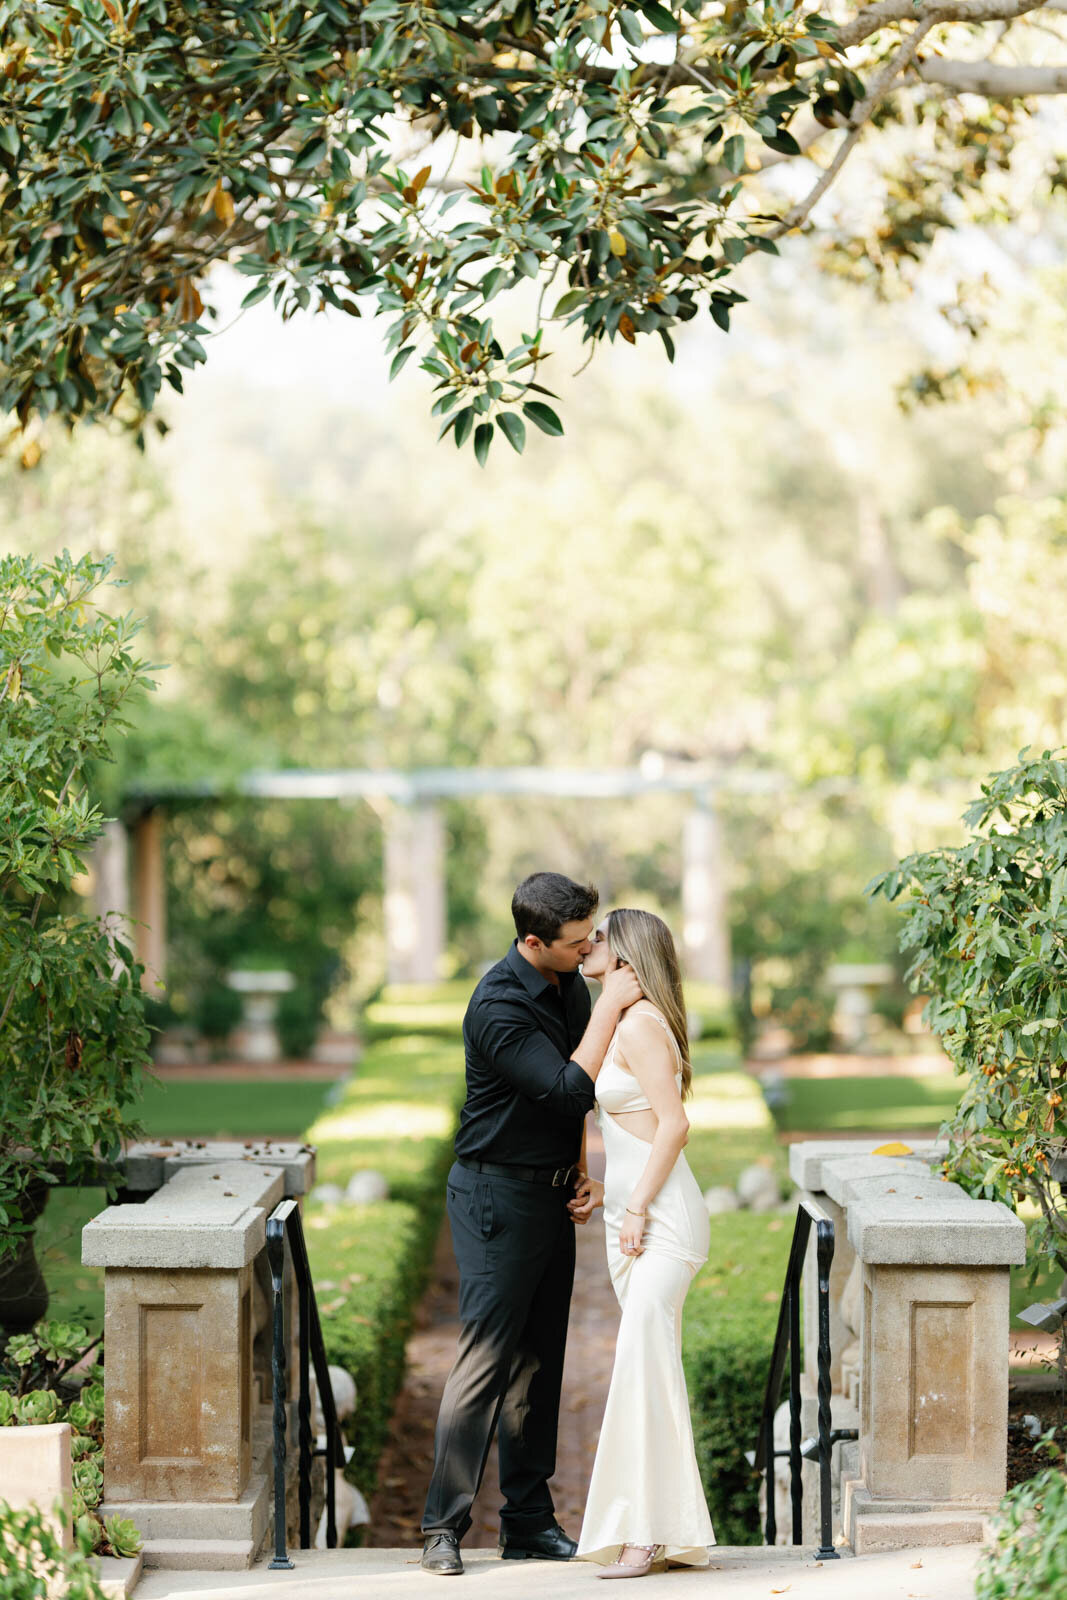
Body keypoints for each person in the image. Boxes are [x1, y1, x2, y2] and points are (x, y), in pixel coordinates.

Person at [420, 872, 643, 1577]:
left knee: (540, 1361)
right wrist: (611, 1005)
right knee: (485, 1359)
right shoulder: (497, 1005)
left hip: (548, 1194)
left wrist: (580, 1171)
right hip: (493, 1195)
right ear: (531, 940)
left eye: (589, 940)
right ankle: (441, 1528)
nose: (587, 952)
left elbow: (570, 1109)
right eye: (575, 943)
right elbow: (567, 1084)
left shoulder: (565, 983)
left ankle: (526, 1522)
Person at [576, 908, 715, 1578]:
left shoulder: (640, 1024)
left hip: (661, 1223)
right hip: (629, 1215)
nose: (588, 944)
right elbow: (615, 1119)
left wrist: (633, 1207)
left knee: (641, 1368)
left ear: (628, 956)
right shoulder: (621, 1020)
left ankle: (647, 1533)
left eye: (600, 937)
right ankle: (666, 1531)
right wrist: (606, 1190)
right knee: (647, 1370)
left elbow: (673, 1125)